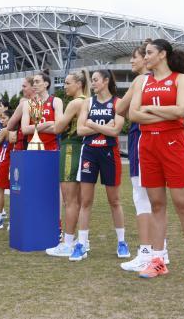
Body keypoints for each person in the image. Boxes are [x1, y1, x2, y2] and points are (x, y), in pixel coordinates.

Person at [129, 38, 184, 282]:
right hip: (148, 145)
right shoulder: (143, 81)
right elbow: (133, 114)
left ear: (162, 54)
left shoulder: (180, 79)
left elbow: (180, 110)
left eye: (149, 53)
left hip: (173, 143)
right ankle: (158, 260)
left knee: (182, 204)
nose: (145, 58)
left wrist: (150, 111)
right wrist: (162, 114)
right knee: (156, 205)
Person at [116, 41, 170, 272]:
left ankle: (148, 250)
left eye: (136, 57)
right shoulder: (154, 81)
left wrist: (134, 110)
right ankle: (160, 250)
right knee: (150, 196)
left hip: (142, 137)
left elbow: (120, 109)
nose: (133, 61)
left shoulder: (142, 80)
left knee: (142, 195)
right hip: (151, 136)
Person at [71, 69, 129, 261]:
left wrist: (93, 125)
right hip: (89, 153)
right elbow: (80, 130)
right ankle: (81, 244)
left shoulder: (118, 103)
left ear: (105, 81)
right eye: (92, 80)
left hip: (109, 154)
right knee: (85, 201)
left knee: (114, 201)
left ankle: (122, 242)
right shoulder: (88, 102)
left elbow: (116, 131)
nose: (93, 83)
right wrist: (105, 126)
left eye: (95, 80)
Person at [46, 69, 90, 257]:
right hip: (83, 149)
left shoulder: (75, 103)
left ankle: (68, 243)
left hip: (71, 149)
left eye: (67, 83)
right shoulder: (88, 101)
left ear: (79, 84)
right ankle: (82, 240)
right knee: (79, 201)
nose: (64, 87)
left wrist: (37, 126)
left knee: (70, 201)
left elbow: (57, 127)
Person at [21, 70, 63, 150]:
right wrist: (47, 124)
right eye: (33, 82)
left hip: (52, 148)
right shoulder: (27, 104)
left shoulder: (56, 101)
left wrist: (33, 129)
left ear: (46, 84)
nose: (34, 85)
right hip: (33, 149)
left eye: (37, 82)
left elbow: (58, 128)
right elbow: (25, 130)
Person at [7, 76, 36, 150]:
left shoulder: (24, 104)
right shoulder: (47, 102)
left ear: (33, 87)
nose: (22, 89)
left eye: (24, 86)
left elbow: (10, 126)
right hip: (44, 143)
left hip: (24, 143)